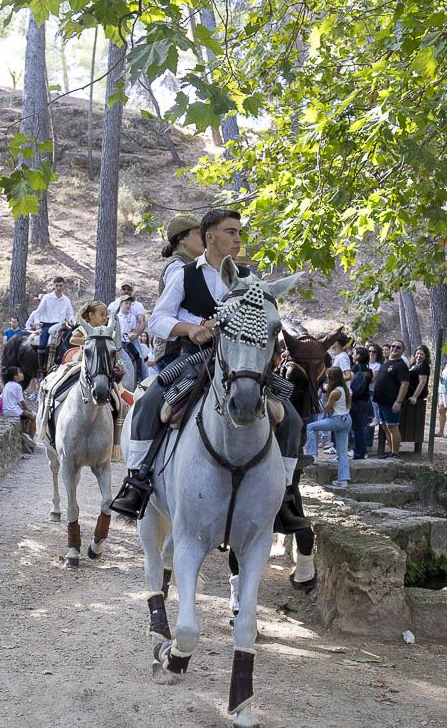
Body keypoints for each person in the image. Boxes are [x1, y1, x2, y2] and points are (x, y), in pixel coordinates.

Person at [110, 207, 305, 533]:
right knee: (148, 403)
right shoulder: (183, 275)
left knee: (292, 419)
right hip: (195, 361)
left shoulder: (249, 281)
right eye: (231, 232)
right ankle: (137, 481)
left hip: (243, 365)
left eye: (240, 233)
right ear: (209, 236)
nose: (238, 239)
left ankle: (285, 497)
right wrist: (190, 328)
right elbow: (157, 320)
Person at [152, 215, 205, 367]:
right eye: (198, 233)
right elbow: (174, 312)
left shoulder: (191, 266)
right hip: (176, 350)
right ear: (182, 239)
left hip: (191, 348)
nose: (204, 239)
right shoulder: (177, 268)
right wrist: (203, 323)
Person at [305, 368, 353, 488]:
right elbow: (327, 387)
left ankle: (312, 455)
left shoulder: (334, 393)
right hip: (346, 419)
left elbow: (326, 408)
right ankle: (343, 479)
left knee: (310, 427)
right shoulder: (344, 389)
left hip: (337, 420)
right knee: (342, 451)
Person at [373, 339, 410, 458]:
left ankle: (396, 453)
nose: (394, 349)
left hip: (391, 402)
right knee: (385, 426)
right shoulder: (387, 362)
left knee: (393, 426)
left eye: (398, 347)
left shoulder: (401, 365)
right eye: (393, 346)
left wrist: (398, 401)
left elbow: (405, 384)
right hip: (381, 402)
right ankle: (391, 451)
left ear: (402, 350)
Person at [28, 278, 74, 373]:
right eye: (56, 285)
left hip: (61, 326)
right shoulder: (47, 298)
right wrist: (37, 325)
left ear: (64, 285)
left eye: (60, 285)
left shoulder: (66, 300)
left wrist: (72, 321)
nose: (58, 288)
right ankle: (41, 370)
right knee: (43, 344)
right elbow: (38, 313)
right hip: (47, 325)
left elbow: (70, 315)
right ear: (54, 286)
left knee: (71, 339)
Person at [1, 366, 38, 450]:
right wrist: (28, 410)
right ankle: (31, 437)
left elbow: (1, 397)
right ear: (15, 376)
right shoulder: (18, 386)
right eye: (20, 372)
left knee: (29, 418)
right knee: (35, 416)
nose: (22, 374)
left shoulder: (7, 385)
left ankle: (27, 434)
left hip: (6, 411)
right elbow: (22, 402)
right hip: (14, 411)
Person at [349, 346, 373, 460]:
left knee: (356, 428)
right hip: (365, 400)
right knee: (361, 427)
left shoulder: (354, 368)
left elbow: (351, 384)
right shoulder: (369, 371)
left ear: (358, 356)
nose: (352, 355)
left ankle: (357, 454)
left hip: (355, 401)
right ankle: (362, 452)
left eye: (354, 353)